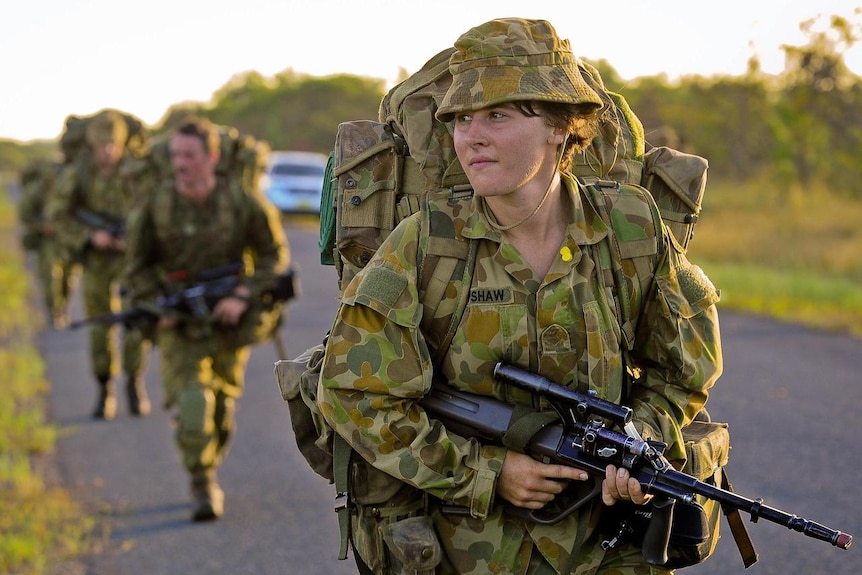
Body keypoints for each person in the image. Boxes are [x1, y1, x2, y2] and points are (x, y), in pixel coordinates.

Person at [317, 18, 722, 575]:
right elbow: (354, 393)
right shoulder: (427, 241)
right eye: (461, 119)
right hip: (468, 549)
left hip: (605, 545)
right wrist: (485, 471)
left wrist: (637, 445)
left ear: (560, 127)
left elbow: (682, 372)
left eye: (498, 115)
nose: (471, 135)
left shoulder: (631, 228)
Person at [123, 117, 290, 522]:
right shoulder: (157, 205)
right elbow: (136, 268)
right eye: (176, 155)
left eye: (190, 155)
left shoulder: (241, 200)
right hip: (179, 326)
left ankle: (208, 463)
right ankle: (202, 481)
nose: (181, 163)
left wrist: (241, 294)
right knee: (193, 404)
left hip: (228, 325)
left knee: (222, 411)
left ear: (211, 158)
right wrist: (157, 308)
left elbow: (274, 256)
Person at [46, 109, 152, 419]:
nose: (107, 152)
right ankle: (104, 387)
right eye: (101, 146)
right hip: (95, 261)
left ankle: (134, 381)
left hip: (133, 261)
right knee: (100, 326)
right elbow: (56, 214)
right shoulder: (79, 173)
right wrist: (90, 237)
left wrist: (133, 239)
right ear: (92, 147)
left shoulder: (137, 172)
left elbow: (155, 211)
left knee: (136, 322)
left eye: (112, 145)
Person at [18, 158, 78, 329]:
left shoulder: (67, 190)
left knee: (69, 273)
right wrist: (42, 227)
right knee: (49, 275)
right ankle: (53, 310)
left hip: (65, 237)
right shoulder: (35, 191)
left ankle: (62, 306)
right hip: (46, 240)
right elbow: (25, 216)